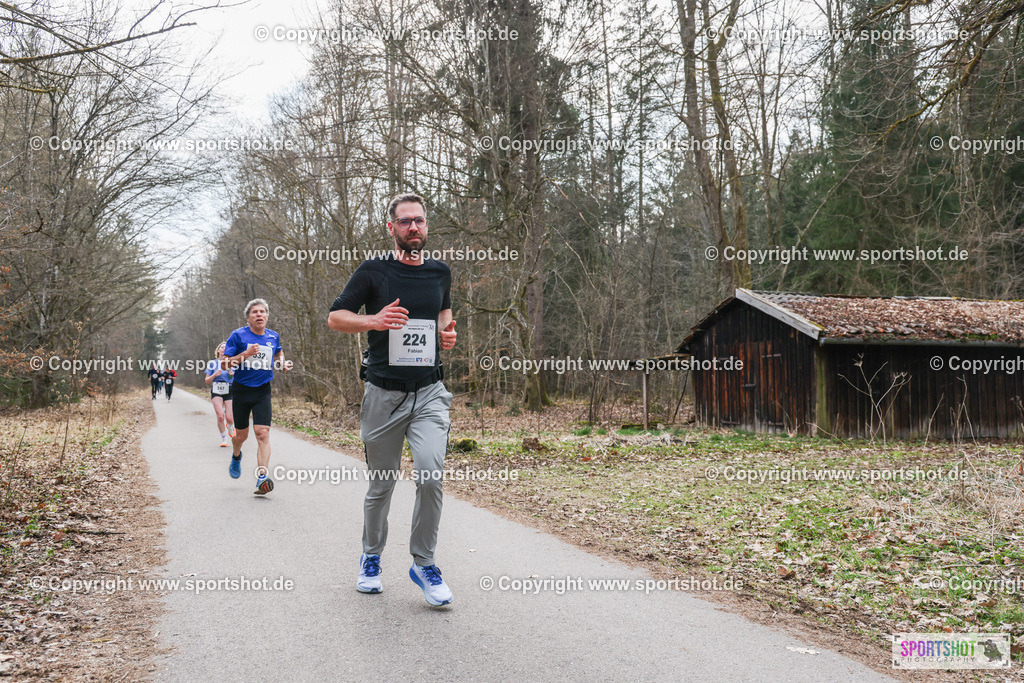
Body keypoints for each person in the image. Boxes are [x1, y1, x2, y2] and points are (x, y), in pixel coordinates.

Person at [327, 192, 457, 607]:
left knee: (430, 474)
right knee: (381, 484)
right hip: (383, 394)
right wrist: (374, 320)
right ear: (392, 228)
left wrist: (448, 333)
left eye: (419, 220)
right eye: (405, 222)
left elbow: (443, 314)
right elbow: (335, 317)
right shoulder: (373, 272)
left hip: (429, 393)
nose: (413, 227)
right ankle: (370, 557)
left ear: (427, 225)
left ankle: (424, 563)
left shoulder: (440, 272)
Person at [222, 299, 289, 495]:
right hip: (241, 391)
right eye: (255, 312)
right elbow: (225, 364)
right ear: (248, 317)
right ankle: (236, 456)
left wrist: (282, 363)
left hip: (262, 391)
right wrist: (246, 353)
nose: (259, 315)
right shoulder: (238, 335)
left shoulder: (272, 336)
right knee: (241, 436)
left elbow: (278, 353)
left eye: (262, 312)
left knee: (263, 433)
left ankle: (262, 477)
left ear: (267, 316)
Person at [205, 342, 236, 447]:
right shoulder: (212, 363)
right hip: (216, 389)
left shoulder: (233, 363)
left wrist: (232, 375)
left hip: (229, 389)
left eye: (226, 347)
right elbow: (207, 380)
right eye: (222, 347)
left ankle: (230, 426)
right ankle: (224, 439)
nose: (224, 349)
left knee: (230, 418)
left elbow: (238, 380)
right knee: (220, 416)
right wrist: (214, 374)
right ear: (218, 350)